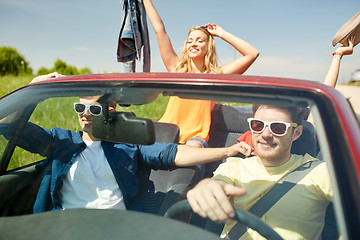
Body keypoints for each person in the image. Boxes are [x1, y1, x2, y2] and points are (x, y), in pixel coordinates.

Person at [0, 73, 253, 213]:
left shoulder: (126, 145)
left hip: (120, 229)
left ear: (110, 110)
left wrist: (228, 150)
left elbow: (172, 154)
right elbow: (10, 127)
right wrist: (33, 91)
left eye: (93, 110)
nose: (85, 115)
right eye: (80, 108)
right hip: (66, 229)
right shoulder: (61, 141)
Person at [186, 104, 332, 239]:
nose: (265, 134)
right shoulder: (232, 167)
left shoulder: (319, 172)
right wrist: (206, 187)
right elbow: (216, 184)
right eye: (258, 125)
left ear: (296, 133)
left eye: (278, 127)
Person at [143, 0, 259, 148]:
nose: (193, 44)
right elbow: (160, 30)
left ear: (208, 46)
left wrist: (221, 34)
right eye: (190, 41)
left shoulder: (216, 74)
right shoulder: (176, 68)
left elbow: (252, 54)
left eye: (199, 40)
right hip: (166, 132)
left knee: (193, 149)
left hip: (195, 139)